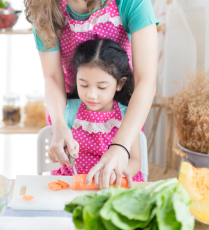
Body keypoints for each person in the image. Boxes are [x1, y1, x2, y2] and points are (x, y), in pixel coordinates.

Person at [25, 0, 158, 188]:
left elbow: (147, 80)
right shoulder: (46, 8)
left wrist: (121, 146)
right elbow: (51, 77)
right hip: (70, 114)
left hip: (121, 114)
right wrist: (60, 125)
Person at [47, 39, 144, 186]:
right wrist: (59, 153)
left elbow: (135, 161)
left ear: (119, 84)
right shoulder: (68, 111)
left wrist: (112, 173)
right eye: (84, 85)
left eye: (102, 87)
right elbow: (52, 155)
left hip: (113, 185)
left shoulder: (128, 115)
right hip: (73, 184)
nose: (91, 95)